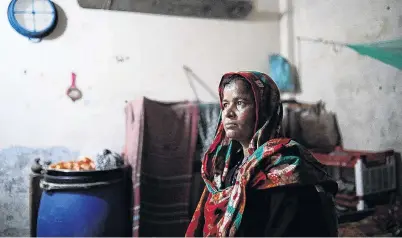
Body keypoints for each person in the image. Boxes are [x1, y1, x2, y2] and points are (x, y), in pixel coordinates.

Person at [186, 71, 338, 237]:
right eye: (225, 104)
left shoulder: (285, 169)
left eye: (240, 103)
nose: (228, 113)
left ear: (263, 110)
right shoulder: (223, 171)